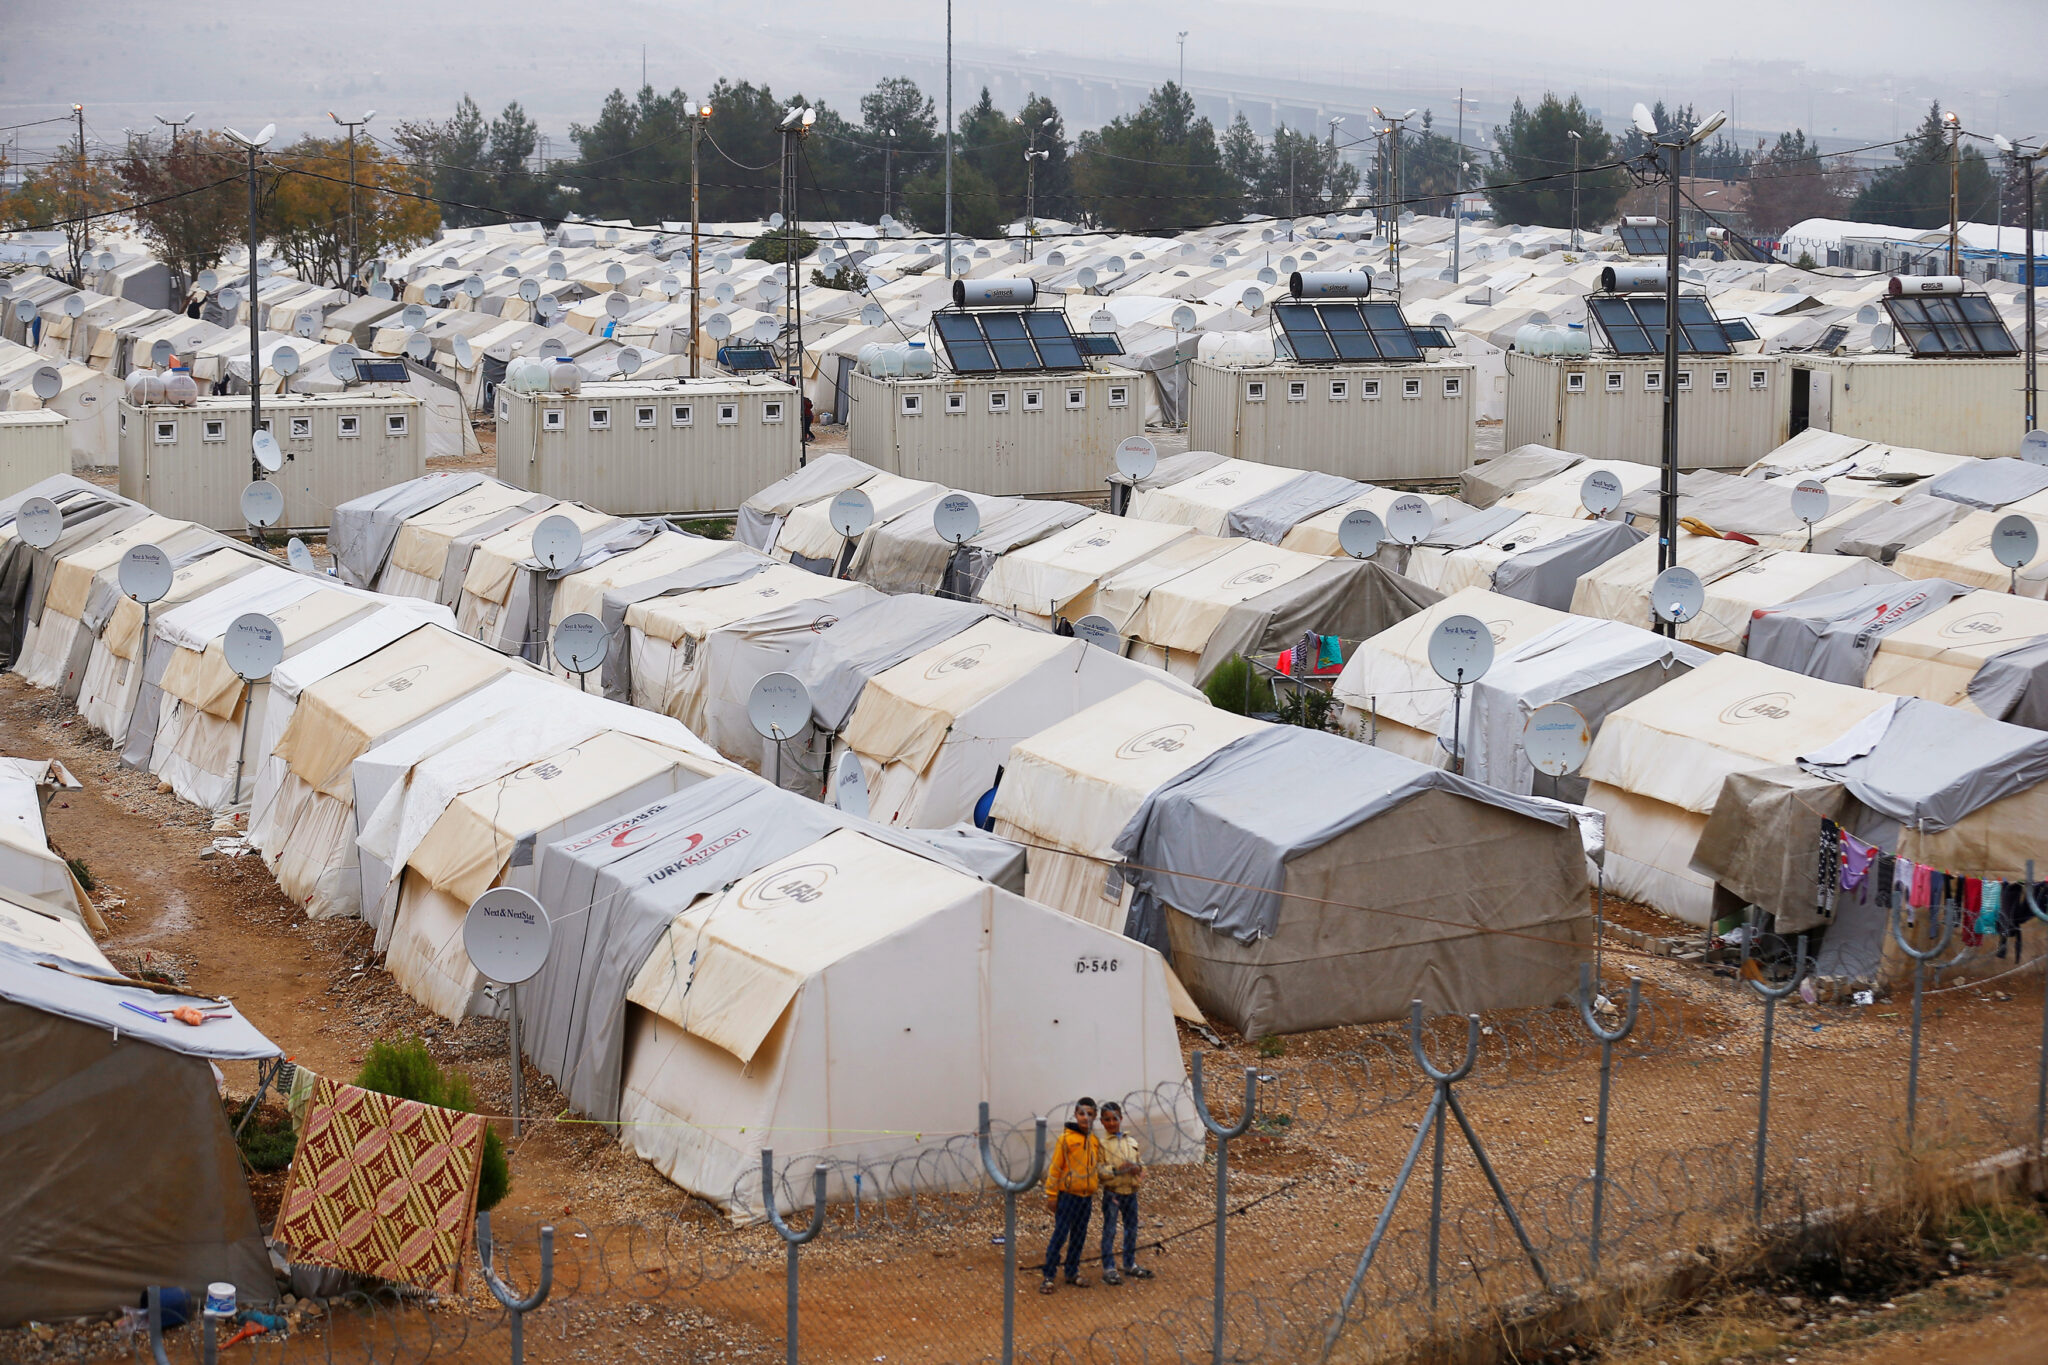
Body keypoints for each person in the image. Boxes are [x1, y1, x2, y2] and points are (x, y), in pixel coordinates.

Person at [1040, 1097, 1102, 1293]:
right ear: (1075, 1115)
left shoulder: (1093, 1141)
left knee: (1079, 1235)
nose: (1085, 1118)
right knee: (1060, 1234)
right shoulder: (1066, 1139)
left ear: (1095, 1116)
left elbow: (1096, 1167)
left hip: (1085, 1197)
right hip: (1068, 1195)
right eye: (1081, 1114)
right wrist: (1051, 1194)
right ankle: (1049, 1276)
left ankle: (1071, 1271)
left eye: (1089, 1114)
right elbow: (1056, 1167)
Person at [1096, 1102, 1153, 1285]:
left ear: (1121, 1119)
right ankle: (1109, 1268)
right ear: (1102, 1122)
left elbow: (1141, 1165)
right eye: (1107, 1120)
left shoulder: (1131, 1142)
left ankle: (1129, 1263)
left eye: (1115, 1119)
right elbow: (1099, 1171)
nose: (1112, 1123)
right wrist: (1117, 1170)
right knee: (1110, 1230)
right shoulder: (1102, 1145)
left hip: (1131, 1192)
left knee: (1131, 1229)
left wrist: (1137, 1169)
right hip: (1113, 1193)